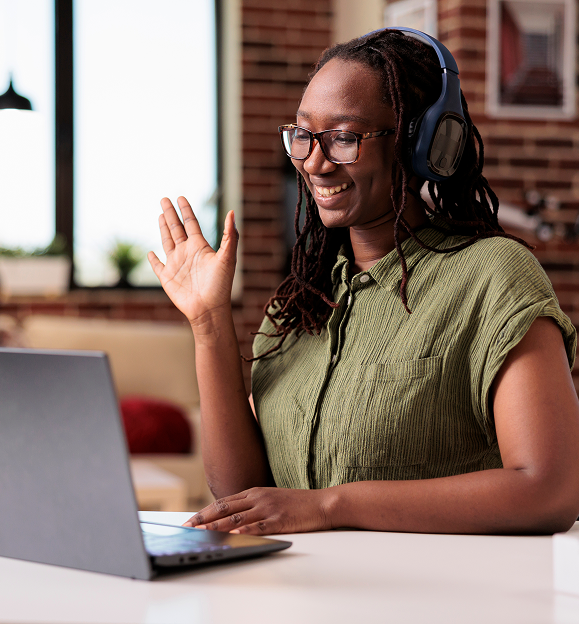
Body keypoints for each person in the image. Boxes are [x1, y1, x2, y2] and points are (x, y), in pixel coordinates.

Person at [148, 28, 579, 536]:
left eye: (345, 138)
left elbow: (550, 490)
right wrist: (208, 322)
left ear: (422, 143)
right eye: (304, 136)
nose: (314, 161)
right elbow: (242, 492)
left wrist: (331, 506)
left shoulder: (493, 277)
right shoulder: (301, 305)